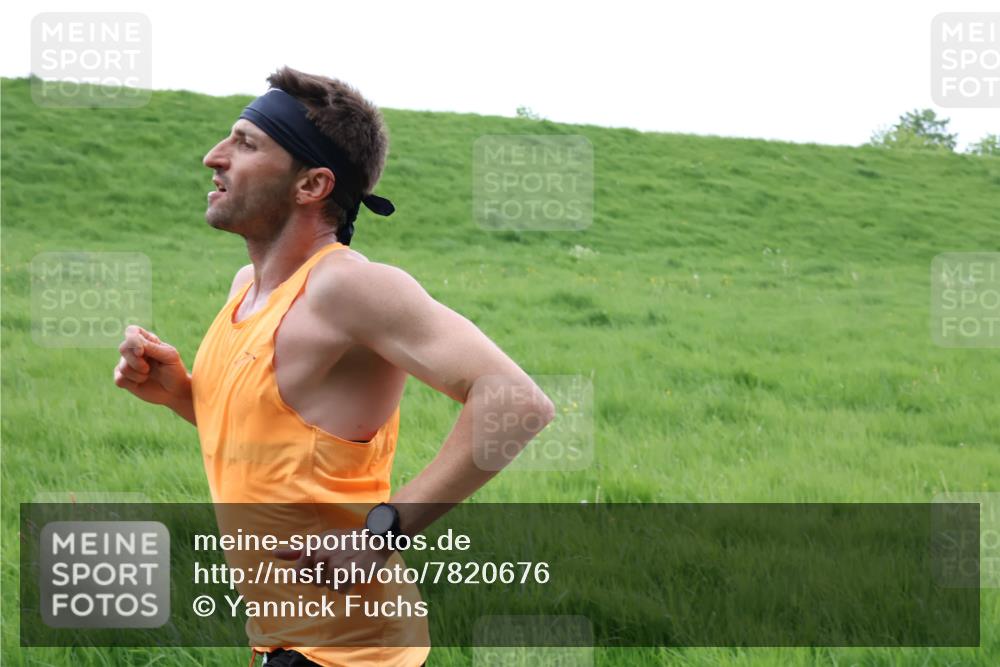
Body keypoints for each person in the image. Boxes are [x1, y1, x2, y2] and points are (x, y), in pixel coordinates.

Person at [113, 66, 555, 666]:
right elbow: (281, 443)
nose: (213, 157)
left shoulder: (348, 287)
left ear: (312, 184)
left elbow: (517, 401)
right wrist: (181, 395)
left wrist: (381, 534)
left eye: (246, 143)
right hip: (286, 641)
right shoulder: (248, 287)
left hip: (349, 652)